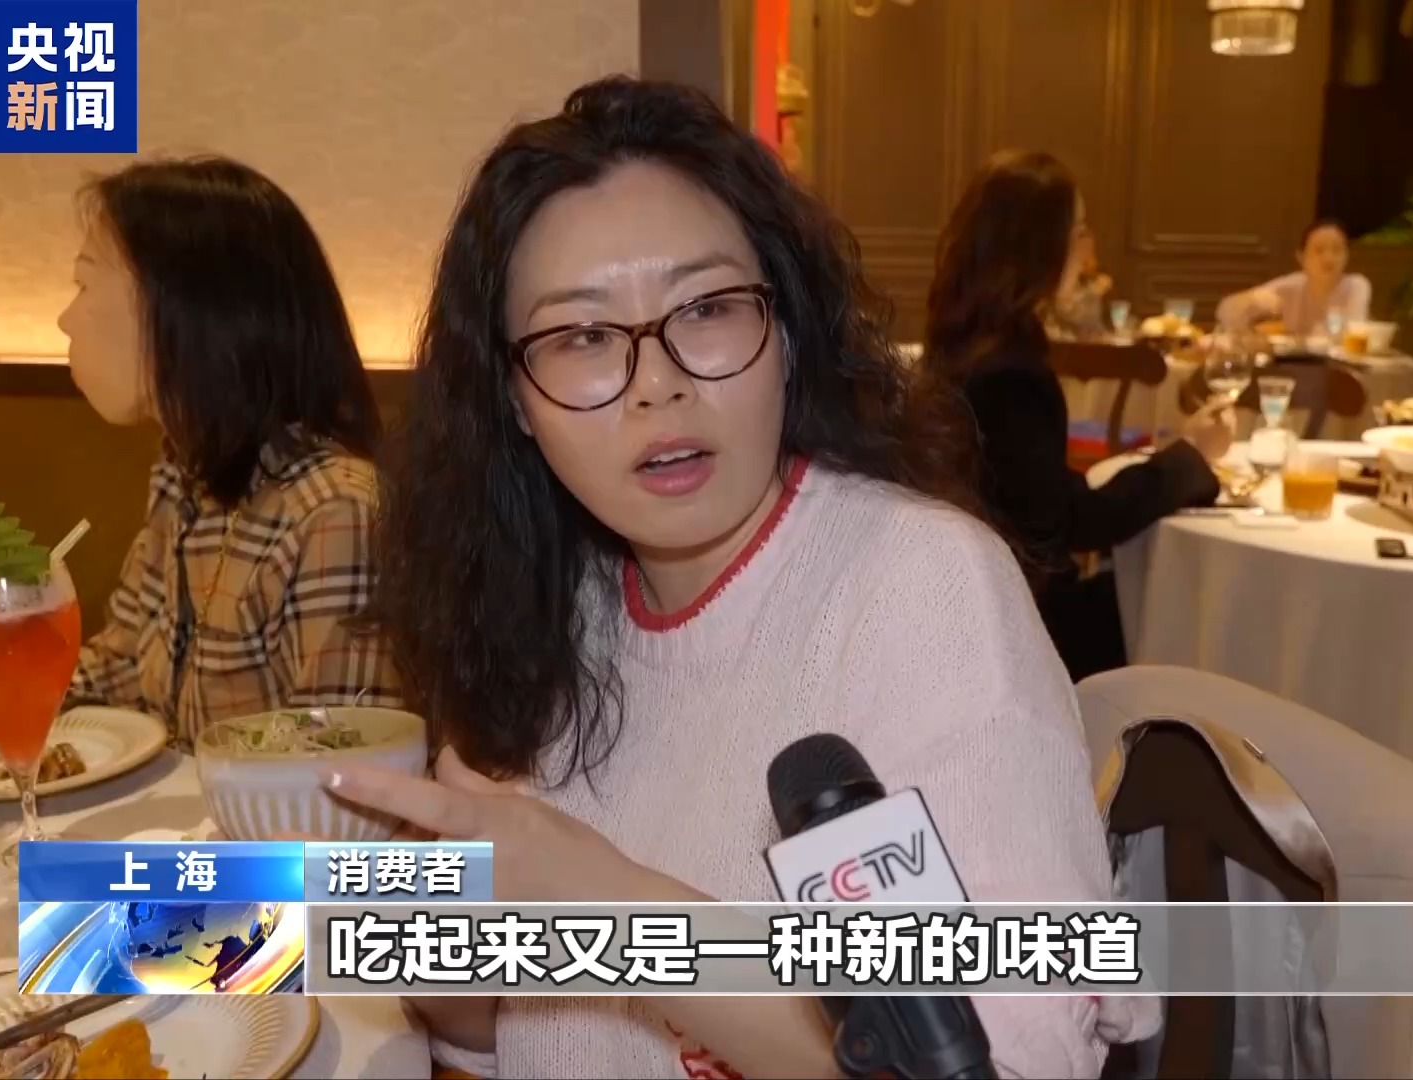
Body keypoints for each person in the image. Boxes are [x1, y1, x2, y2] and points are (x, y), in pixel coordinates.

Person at [334, 80, 1156, 1078]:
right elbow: (498, 1039)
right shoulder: (555, 604)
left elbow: (1003, 1061)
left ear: (788, 334)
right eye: (582, 336)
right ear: (513, 398)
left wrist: (606, 904)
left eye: (710, 309)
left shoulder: (922, 593)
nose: (659, 384)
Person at [59, 156, 401, 741]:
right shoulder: (182, 477)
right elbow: (121, 667)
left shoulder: (334, 514)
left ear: (182, 308)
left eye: (84, 283)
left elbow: (341, 768)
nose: (66, 319)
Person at [922, 149, 1232, 682]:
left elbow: (1028, 492)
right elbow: (1068, 524)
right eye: (1080, 231)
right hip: (1023, 629)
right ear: (1043, 246)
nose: (1086, 249)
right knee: (1191, 604)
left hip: (969, 602)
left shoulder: (961, 338)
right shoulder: (1011, 373)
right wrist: (1190, 458)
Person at [1217, 219, 1372, 337]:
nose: (1328, 258)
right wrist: (1249, 299)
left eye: (1337, 250)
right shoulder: (1291, 286)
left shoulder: (1356, 286)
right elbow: (1225, 312)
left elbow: (1353, 334)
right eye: (1319, 250)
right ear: (1301, 258)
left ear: (1347, 256)